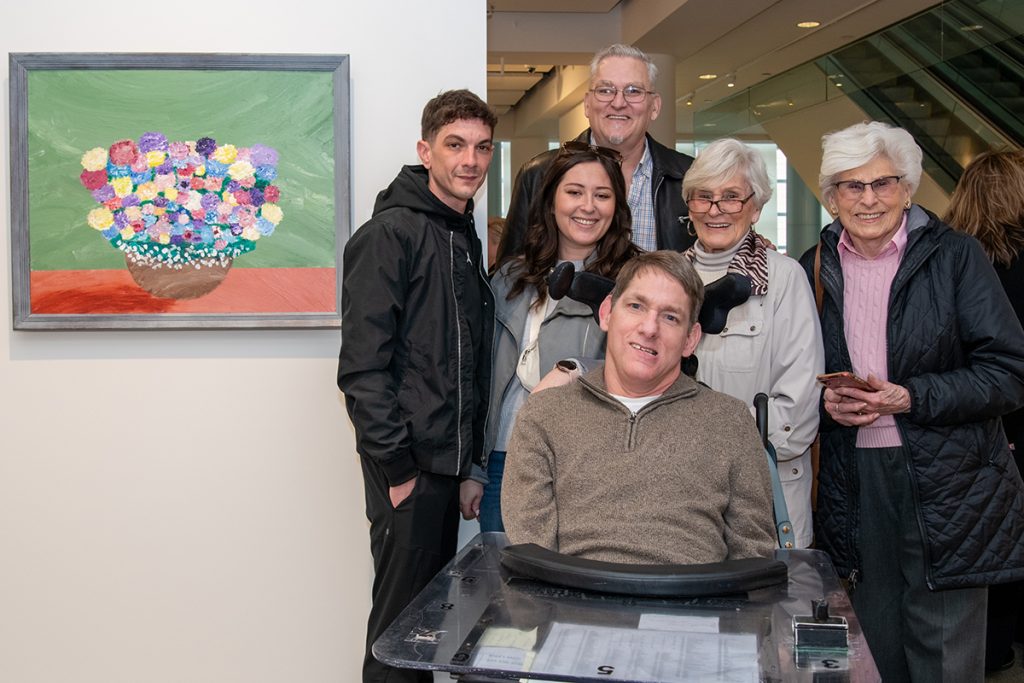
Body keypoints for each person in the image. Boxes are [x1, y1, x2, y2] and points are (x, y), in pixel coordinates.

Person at [799, 121, 1024, 683]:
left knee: (945, 650)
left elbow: (1008, 372)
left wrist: (911, 397)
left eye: (883, 183)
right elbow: (801, 370)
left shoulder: (956, 257)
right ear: (831, 195)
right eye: (851, 186)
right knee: (870, 646)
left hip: (951, 478)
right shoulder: (813, 266)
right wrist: (829, 407)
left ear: (908, 188)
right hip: (853, 480)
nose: (868, 198)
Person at [337, 89, 497, 683]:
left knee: (422, 638)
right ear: (425, 151)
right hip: (408, 471)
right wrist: (402, 471)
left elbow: (465, 362)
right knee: (397, 643)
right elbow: (361, 370)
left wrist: (467, 467)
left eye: (482, 147)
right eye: (455, 145)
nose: (470, 161)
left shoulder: (459, 232)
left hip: (441, 470)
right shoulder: (390, 235)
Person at [502, 251, 777, 564]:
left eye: (670, 317)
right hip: (574, 603)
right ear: (606, 313)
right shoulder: (544, 416)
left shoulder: (730, 421)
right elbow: (532, 552)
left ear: (690, 339)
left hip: (694, 605)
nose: (650, 328)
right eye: (636, 306)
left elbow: (753, 555)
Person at [480, 141, 640, 533]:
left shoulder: (634, 281)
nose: (588, 206)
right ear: (551, 201)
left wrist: (574, 369)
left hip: (587, 470)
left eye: (602, 195)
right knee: (506, 585)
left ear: (616, 208)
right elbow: (485, 373)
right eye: (574, 192)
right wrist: (474, 469)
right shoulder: (511, 276)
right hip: (504, 459)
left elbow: (650, 366)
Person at [681, 138, 823, 548]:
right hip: (682, 498)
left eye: (731, 198)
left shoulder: (784, 279)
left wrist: (700, 435)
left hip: (762, 499)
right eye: (703, 197)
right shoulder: (668, 277)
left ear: (756, 207)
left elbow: (795, 416)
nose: (715, 210)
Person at [496, 44, 695, 263]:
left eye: (633, 91)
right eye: (605, 90)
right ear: (587, 104)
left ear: (654, 106)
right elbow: (510, 274)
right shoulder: (538, 175)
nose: (618, 103)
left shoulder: (689, 177)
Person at [944, 149, 1024, 674]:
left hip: (961, 431)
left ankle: (987, 652)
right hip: (1010, 422)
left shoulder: (946, 260)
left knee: (974, 552)